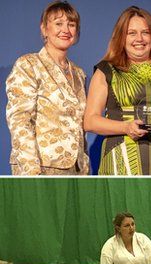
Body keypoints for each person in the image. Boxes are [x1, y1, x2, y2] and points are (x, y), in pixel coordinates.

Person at [84, 6, 151, 175]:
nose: (139, 38)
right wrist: (126, 127)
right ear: (121, 37)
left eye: (145, 32)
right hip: (120, 160)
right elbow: (90, 121)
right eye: (131, 33)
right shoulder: (106, 70)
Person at [5, 1, 89, 175]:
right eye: (58, 23)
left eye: (71, 24)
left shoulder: (79, 74)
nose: (65, 29)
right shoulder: (28, 64)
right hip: (41, 168)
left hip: (76, 170)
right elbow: (19, 119)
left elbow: (80, 127)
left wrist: (84, 168)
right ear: (44, 29)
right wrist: (32, 171)